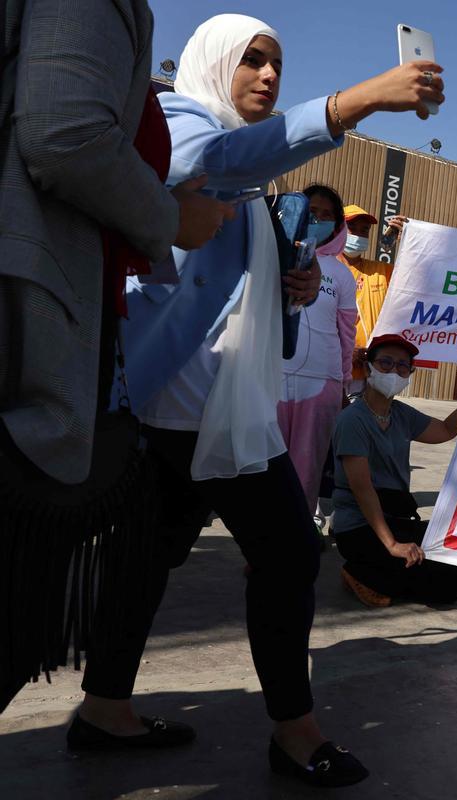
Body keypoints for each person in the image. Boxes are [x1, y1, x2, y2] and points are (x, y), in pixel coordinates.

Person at [73, 14, 445, 788]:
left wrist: (294, 285)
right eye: (252, 60)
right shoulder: (179, 121)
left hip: (185, 408)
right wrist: (353, 103)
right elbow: (209, 168)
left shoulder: (250, 175)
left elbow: (233, 274)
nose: (269, 76)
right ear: (213, 62)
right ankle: (295, 732)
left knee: (144, 563)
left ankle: (105, 708)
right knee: (287, 552)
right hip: (188, 405)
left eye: (277, 62)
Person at [0, 0, 231, 711]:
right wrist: (171, 216)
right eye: (250, 58)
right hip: (35, 338)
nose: (267, 76)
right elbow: (67, 135)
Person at [332, 334, 457, 608]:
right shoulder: (352, 420)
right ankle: (356, 572)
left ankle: (386, 568)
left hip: (397, 516)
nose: (394, 371)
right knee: (420, 581)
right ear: (368, 367)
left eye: (403, 366)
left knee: (453, 583)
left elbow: (443, 431)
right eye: (385, 363)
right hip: (360, 525)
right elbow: (363, 490)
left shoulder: (401, 414)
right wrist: (392, 544)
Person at [276, 185, 358, 518]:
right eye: (312, 212)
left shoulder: (342, 274)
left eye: (328, 215)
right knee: (266, 464)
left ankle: (297, 538)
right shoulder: (275, 254)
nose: (319, 219)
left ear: (337, 225)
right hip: (272, 377)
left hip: (321, 381)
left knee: (306, 470)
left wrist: (343, 383)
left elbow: (347, 334)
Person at [339, 206, 405, 394]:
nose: (359, 234)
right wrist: (345, 353)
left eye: (365, 230)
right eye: (352, 227)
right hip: (331, 374)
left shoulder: (381, 271)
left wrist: (407, 243)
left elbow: (414, 281)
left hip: (372, 377)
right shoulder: (324, 269)